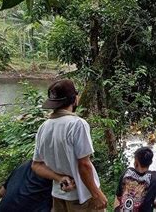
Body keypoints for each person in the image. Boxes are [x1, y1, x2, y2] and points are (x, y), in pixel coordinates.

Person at [32, 79, 108, 212]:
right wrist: (97, 194)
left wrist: (60, 178)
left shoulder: (44, 127)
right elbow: (84, 164)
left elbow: (36, 165)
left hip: (58, 196)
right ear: (74, 99)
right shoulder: (77, 124)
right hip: (82, 197)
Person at [114, 147, 156, 212]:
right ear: (150, 163)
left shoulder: (127, 172)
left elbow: (119, 197)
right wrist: (153, 204)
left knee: (117, 196)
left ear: (135, 162)